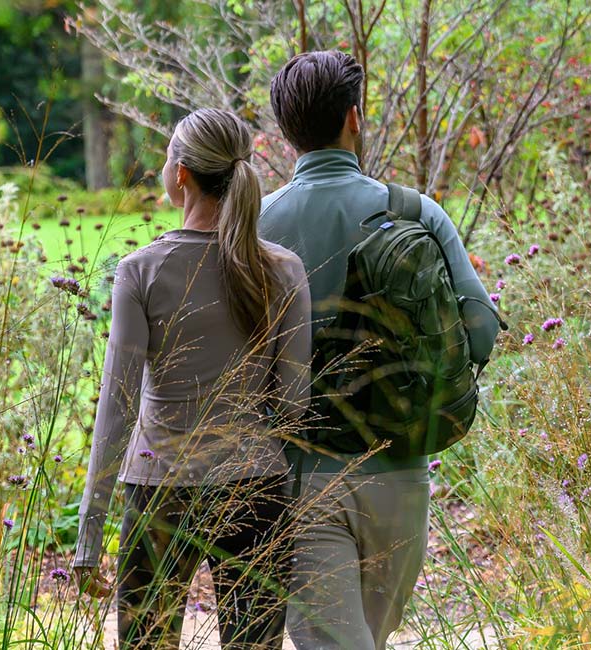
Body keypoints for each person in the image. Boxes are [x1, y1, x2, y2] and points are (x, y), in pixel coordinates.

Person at [259, 51, 503, 650]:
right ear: (355, 118)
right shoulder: (413, 213)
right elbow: (482, 335)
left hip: (300, 476)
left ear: (287, 134)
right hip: (401, 471)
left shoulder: (255, 224)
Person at [70, 108, 315, 650]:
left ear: (180, 174)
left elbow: (117, 408)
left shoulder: (141, 270)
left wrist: (89, 538)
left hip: (160, 492)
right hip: (256, 488)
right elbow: (296, 403)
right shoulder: (283, 270)